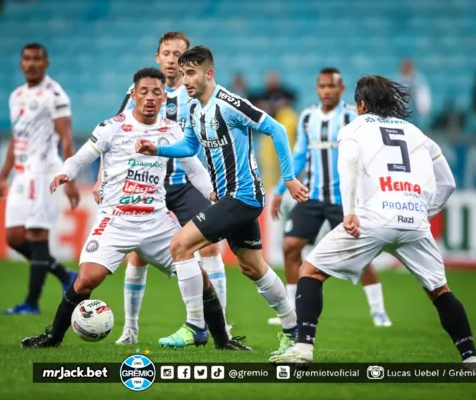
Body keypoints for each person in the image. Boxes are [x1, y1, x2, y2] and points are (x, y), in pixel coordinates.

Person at [21, 68, 248, 350]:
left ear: (164, 97)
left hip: (157, 222)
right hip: (115, 221)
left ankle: (222, 340)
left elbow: (196, 171)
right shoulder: (111, 127)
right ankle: (53, 336)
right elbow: (81, 158)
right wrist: (65, 172)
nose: (150, 98)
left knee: (199, 276)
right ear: (133, 95)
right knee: (86, 280)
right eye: (144, 92)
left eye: (156, 92)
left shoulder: (172, 130)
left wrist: (215, 195)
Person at [270, 76, 476, 368]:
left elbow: (348, 168)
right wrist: (424, 212)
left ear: (360, 104)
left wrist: (350, 212)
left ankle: (303, 349)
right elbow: (448, 183)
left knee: (311, 270)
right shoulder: (417, 133)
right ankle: (471, 358)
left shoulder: (353, 128)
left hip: (372, 219)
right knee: (440, 291)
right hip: (414, 222)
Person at [135, 46, 309, 354]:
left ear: (208, 73)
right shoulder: (193, 108)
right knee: (253, 266)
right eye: (182, 72)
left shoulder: (230, 104)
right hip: (229, 197)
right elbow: (189, 146)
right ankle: (293, 328)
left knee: (180, 245)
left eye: (191, 73)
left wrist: (289, 177)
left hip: (243, 197)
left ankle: (195, 326)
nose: (185, 79)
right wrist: (157, 150)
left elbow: (277, 129)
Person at [92, 32, 230, 345]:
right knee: (137, 255)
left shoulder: (195, 92)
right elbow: (115, 137)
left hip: (183, 185)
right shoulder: (138, 91)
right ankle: (130, 329)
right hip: (145, 185)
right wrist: (102, 178)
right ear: (158, 57)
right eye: (165, 53)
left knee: (209, 246)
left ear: (186, 60)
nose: (171, 59)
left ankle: (219, 325)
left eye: (177, 54)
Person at [269, 68, 392, 328]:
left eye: (331, 86)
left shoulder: (353, 117)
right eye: (322, 86)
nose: (326, 91)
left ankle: (378, 310)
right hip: (312, 196)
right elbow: (299, 155)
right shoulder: (307, 117)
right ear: (317, 89)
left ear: (341, 88)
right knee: (291, 246)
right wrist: (281, 190)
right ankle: (292, 310)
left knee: (362, 256)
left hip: (344, 201)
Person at [0, 43, 79, 315]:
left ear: (46, 64)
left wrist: (71, 180)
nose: (31, 64)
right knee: (14, 237)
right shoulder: (16, 96)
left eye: (36, 59)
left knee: (36, 235)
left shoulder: (55, 95)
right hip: (21, 174)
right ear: (21, 63)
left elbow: (66, 139)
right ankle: (65, 276)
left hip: (44, 171)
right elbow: (15, 137)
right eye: (27, 59)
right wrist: (4, 173)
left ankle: (31, 303)